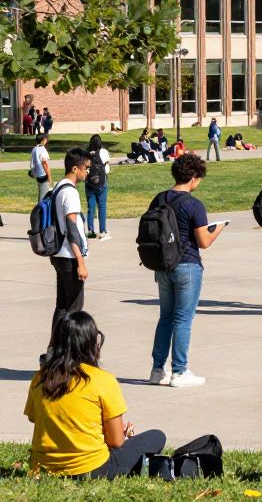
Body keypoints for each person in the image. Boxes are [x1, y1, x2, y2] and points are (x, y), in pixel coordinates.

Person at [25, 311, 166, 478]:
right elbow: (116, 442)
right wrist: (118, 432)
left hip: (42, 469)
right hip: (90, 469)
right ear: (91, 343)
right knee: (157, 436)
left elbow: (35, 417)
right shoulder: (103, 380)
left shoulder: (40, 378)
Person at [148, 154, 226, 388]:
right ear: (193, 177)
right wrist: (219, 228)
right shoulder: (193, 204)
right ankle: (180, 371)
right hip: (187, 265)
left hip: (163, 264)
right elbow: (203, 242)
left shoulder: (159, 199)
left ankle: (157, 369)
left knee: (165, 318)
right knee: (183, 319)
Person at [48, 149, 91, 349]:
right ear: (75, 168)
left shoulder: (58, 187)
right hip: (69, 257)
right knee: (74, 310)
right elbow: (72, 229)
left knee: (62, 307)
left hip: (58, 255)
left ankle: (53, 351)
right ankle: (66, 353)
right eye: (86, 168)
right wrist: (80, 262)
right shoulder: (71, 193)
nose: (88, 172)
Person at [85, 134, 112, 241]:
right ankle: (102, 231)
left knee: (91, 207)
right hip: (101, 182)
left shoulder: (87, 153)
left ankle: (91, 231)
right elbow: (107, 163)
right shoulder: (103, 152)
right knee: (102, 206)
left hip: (89, 183)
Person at [29, 133, 52, 202]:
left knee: (41, 192)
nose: (47, 140)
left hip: (37, 174)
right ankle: (40, 211)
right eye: (46, 139)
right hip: (43, 174)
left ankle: (40, 209)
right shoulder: (43, 150)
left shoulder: (35, 149)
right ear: (43, 140)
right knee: (44, 195)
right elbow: (44, 163)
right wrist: (49, 176)